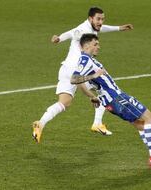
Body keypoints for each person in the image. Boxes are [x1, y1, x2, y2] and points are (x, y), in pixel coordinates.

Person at [68, 33, 151, 168]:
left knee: (141, 124)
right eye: (95, 44)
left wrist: (93, 96)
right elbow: (74, 79)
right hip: (116, 98)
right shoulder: (85, 60)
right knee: (149, 117)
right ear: (86, 45)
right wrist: (94, 75)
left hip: (112, 100)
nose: (99, 47)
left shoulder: (88, 60)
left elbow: (84, 83)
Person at [32, 7, 133, 142]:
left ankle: (41, 123)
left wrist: (119, 28)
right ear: (90, 18)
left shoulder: (92, 27)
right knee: (104, 89)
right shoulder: (83, 29)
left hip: (65, 69)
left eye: (102, 19)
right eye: (98, 19)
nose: (101, 22)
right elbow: (73, 32)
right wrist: (60, 38)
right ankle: (97, 123)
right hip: (80, 69)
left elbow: (101, 28)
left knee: (64, 103)